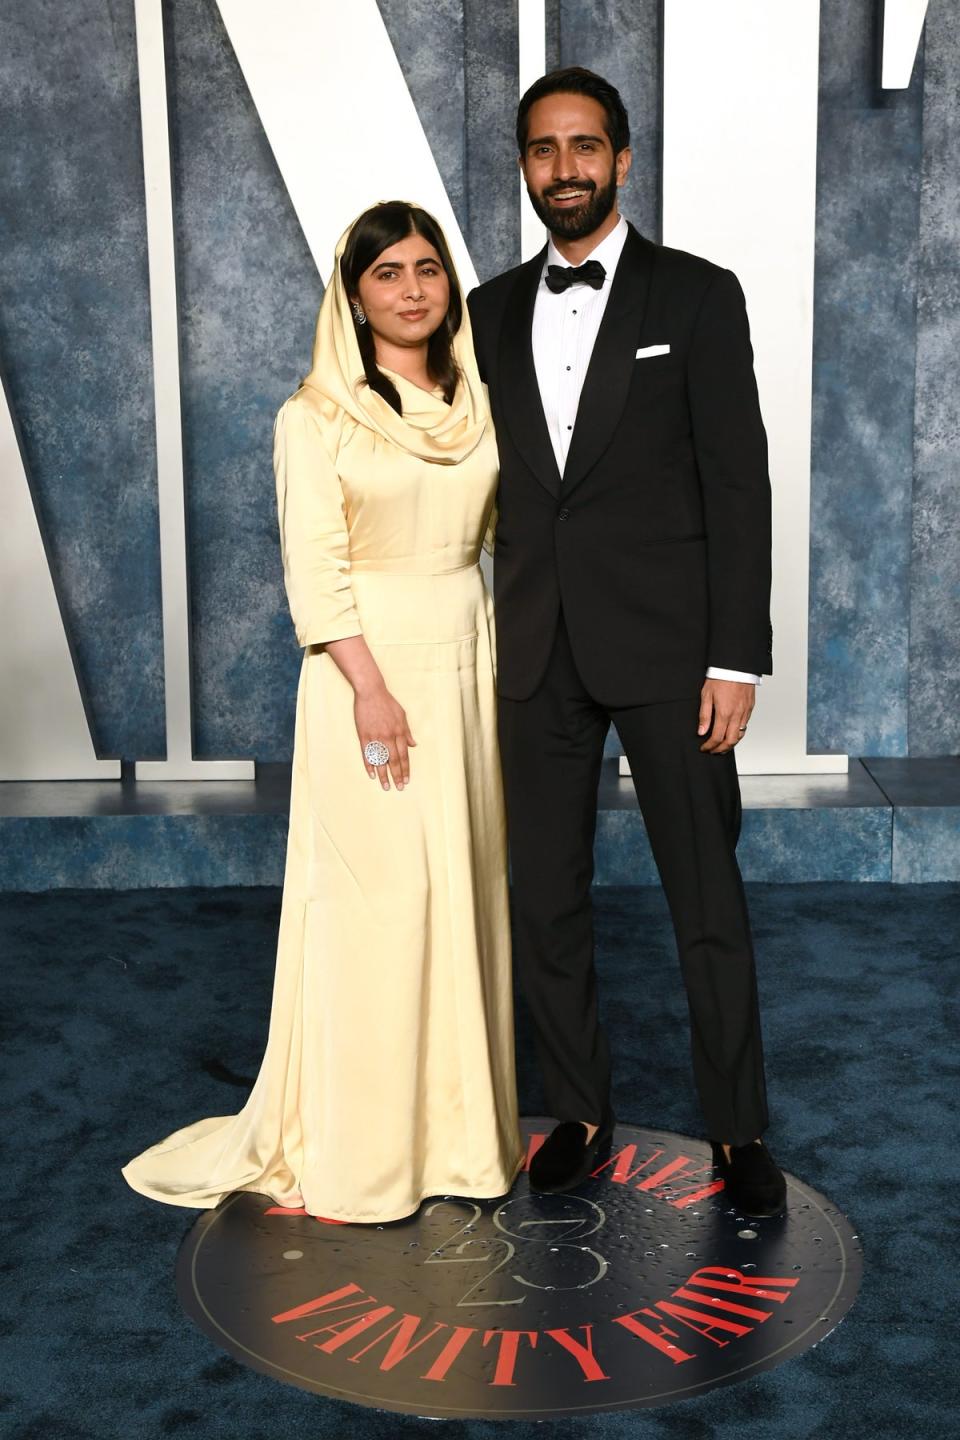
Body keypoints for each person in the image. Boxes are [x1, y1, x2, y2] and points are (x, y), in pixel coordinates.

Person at [123, 202, 523, 1223]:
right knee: (380, 907)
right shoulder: (313, 414)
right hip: (370, 673)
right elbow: (314, 566)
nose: (413, 289)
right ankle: (366, 1150)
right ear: (353, 294)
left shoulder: (480, 398)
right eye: (386, 273)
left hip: (467, 656)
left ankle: (457, 1139)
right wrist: (371, 688)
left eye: (428, 268)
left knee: (459, 893)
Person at [468, 68, 786, 1217]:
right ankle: (583, 1112)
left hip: (671, 652)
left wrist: (735, 658)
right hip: (536, 648)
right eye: (544, 150)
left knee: (705, 897)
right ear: (524, 165)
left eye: (585, 147)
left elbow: (735, 483)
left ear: (624, 159)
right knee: (547, 897)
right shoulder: (486, 308)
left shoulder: (698, 296)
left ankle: (740, 1129)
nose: (565, 168)